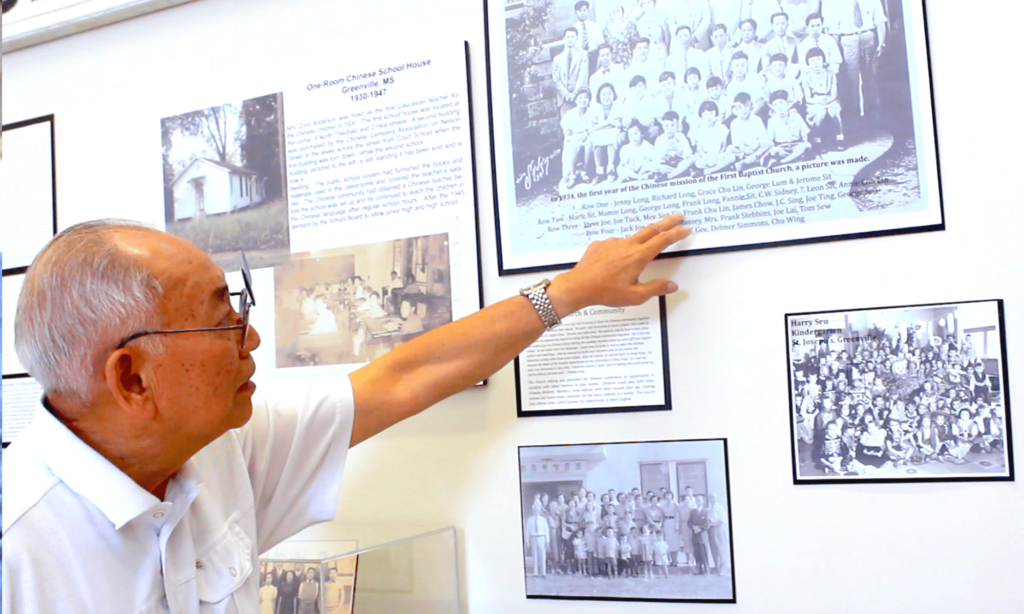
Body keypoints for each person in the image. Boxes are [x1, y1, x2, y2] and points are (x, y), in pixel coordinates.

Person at [4, 213, 689, 612]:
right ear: (132, 378)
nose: (253, 340)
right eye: (222, 323)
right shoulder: (19, 553)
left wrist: (567, 293)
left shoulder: (221, 451)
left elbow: (406, 376)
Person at [820, 0, 887, 139]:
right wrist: (837, 52)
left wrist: (882, 43)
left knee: (871, 81)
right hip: (848, 40)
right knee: (852, 83)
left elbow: (880, 21)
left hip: (868, 37)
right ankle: (856, 123)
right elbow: (832, 30)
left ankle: (874, 122)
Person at [801, 46, 842, 149]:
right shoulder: (806, 77)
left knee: (833, 112)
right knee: (820, 113)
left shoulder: (830, 74)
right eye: (812, 60)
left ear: (823, 60)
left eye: (818, 59)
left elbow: (834, 94)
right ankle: (817, 140)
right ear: (808, 63)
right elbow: (808, 98)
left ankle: (839, 137)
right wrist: (819, 102)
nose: (815, 62)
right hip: (814, 102)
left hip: (830, 100)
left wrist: (828, 101)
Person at [762, 89, 811, 167]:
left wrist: (805, 142)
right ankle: (794, 158)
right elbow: (770, 139)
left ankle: (782, 162)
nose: (779, 107)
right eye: (775, 105)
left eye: (781, 103)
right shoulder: (771, 121)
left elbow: (804, 133)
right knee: (774, 151)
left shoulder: (796, 116)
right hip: (782, 147)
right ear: (772, 107)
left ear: (788, 103)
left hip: (796, 145)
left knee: (806, 146)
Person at [587, 82, 623, 183]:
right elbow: (591, 129)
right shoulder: (595, 109)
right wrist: (608, 122)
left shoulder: (617, 106)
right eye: (603, 94)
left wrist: (601, 126)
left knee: (612, 137)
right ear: (599, 97)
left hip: (612, 132)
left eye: (609, 94)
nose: (606, 97)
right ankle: (599, 172)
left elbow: (618, 124)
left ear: (613, 95)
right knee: (595, 138)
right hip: (599, 132)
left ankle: (611, 170)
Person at [727, 93, 771, 172]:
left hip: (756, 148)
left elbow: (763, 138)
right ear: (736, 110)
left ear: (751, 106)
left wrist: (755, 145)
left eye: (746, 106)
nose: (744, 109)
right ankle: (755, 160)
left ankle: (746, 162)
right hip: (743, 151)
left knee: (769, 144)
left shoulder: (757, 119)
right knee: (729, 149)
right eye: (740, 107)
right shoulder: (734, 123)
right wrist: (744, 149)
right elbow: (736, 142)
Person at [560, 87, 594, 189]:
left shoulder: (591, 113)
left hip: (585, 137)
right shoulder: (570, 114)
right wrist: (573, 136)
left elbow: (590, 130)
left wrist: (583, 136)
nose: (583, 100)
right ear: (575, 100)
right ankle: (572, 174)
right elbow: (568, 132)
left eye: (586, 98)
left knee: (589, 144)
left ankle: (584, 170)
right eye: (580, 98)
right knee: (574, 145)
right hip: (573, 138)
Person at [690, 100, 736, 175]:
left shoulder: (721, 128)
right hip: (706, 157)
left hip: (719, 156)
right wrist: (707, 158)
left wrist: (720, 156)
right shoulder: (699, 130)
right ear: (701, 116)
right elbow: (699, 149)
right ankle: (719, 168)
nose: (708, 116)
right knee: (698, 163)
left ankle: (708, 171)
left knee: (731, 157)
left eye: (711, 113)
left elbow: (723, 146)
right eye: (705, 114)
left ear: (716, 114)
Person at [553, 28, 590, 110]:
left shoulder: (583, 54)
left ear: (576, 38)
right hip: (564, 99)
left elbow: (583, 74)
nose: (570, 39)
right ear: (564, 39)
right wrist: (566, 94)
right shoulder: (557, 59)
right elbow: (556, 80)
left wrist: (575, 93)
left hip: (580, 96)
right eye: (568, 37)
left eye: (572, 37)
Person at [706, 493, 729, 575]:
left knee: (721, 549)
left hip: (719, 529)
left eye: (713, 497)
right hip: (711, 530)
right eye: (710, 497)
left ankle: (723, 569)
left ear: (716, 498)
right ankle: (717, 567)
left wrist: (713, 523)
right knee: (714, 550)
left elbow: (722, 521)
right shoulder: (709, 509)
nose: (712, 499)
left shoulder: (719, 508)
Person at [688, 495, 711, 574]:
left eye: (700, 500)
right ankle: (698, 569)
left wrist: (700, 529)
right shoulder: (692, 512)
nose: (699, 502)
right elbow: (689, 522)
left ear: (703, 501)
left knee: (703, 552)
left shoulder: (706, 511)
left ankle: (706, 569)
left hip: (702, 535)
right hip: (694, 534)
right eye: (697, 500)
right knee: (696, 552)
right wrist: (694, 527)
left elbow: (707, 523)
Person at [526, 506, 550, 577]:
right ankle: (535, 572)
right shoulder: (530, 520)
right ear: (533, 511)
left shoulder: (543, 520)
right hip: (533, 537)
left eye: (538, 510)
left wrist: (547, 540)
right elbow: (527, 530)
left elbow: (546, 530)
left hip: (541, 537)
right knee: (535, 555)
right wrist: (527, 541)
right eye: (535, 510)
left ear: (540, 511)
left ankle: (543, 572)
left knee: (542, 555)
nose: (536, 511)